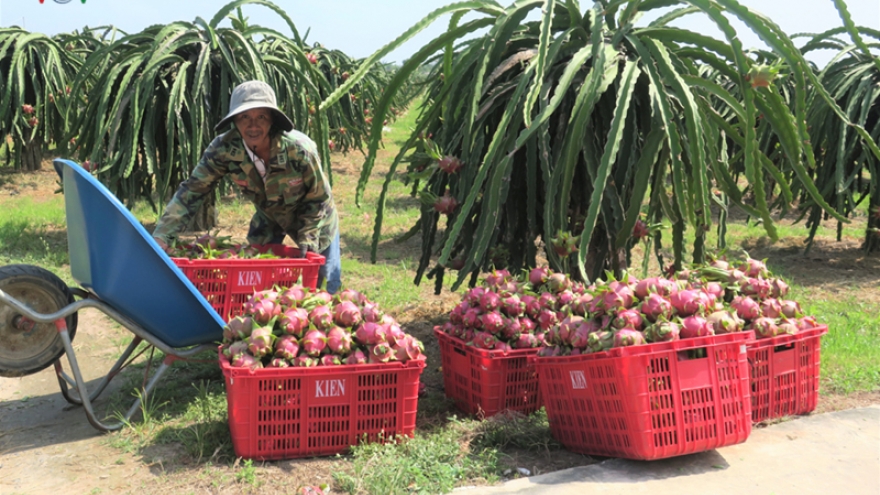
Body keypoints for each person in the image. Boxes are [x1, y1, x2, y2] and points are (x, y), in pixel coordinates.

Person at [152, 80, 341, 293]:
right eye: (244, 117)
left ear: (272, 120)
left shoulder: (298, 149)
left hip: (316, 218)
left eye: (261, 117)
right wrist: (162, 235)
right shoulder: (223, 149)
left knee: (324, 279)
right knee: (254, 277)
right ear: (234, 121)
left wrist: (309, 238)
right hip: (268, 216)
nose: (253, 126)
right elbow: (193, 190)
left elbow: (319, 199)